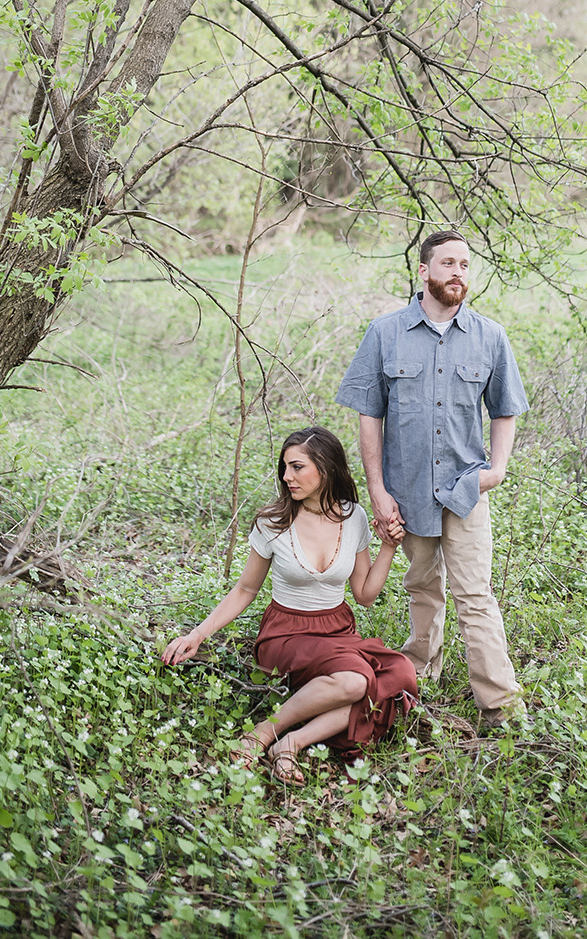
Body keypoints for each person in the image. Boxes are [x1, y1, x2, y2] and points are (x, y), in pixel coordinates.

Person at [335, 230, 529, 727]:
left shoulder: (490, 336)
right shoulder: (385, 332)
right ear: (423, 271)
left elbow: (505, 409)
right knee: (422, 587)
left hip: (467, 489)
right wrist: (377, 490)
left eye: (465, 265)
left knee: (475, 595)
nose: (457, 273)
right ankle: (419, 678)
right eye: (447, 263)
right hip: (408, 489)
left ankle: (501, 707)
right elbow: (368, 415)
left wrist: (498, 469)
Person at [161, 426, 417, 782]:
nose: (287, 477)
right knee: (357, 683)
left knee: (400, 674)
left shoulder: (354, 516)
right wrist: (198, 634)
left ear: (326, 468)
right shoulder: (273, 521)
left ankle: (291, 743)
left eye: (297, 467)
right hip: (287, 633)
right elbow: (245, 590)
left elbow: (364, 595)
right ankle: (264, 733)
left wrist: (388, 546)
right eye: (285, 467)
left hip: (337, 631)